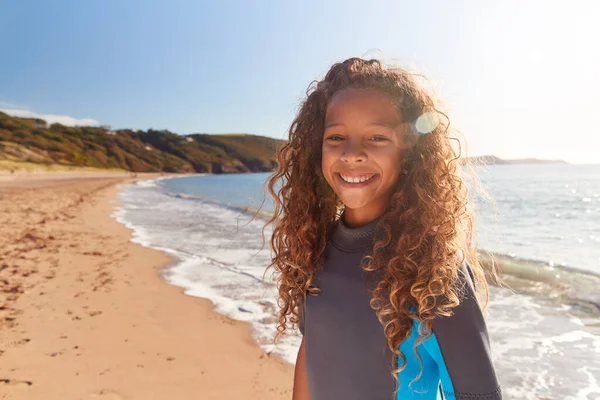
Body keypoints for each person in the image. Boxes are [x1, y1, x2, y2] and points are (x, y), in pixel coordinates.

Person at [262, 57, 502, 400]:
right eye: (336, 137)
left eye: (376, 137)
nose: (352, 153)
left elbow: (478, 393)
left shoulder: (434, 268)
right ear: (317, 147)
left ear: (409, 153)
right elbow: (311, 353)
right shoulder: (314, 248)